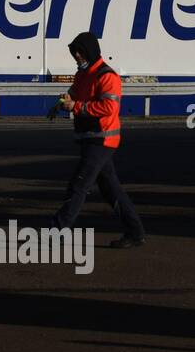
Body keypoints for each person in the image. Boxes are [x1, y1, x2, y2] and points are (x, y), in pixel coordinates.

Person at [51, 31, 146, 248]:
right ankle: (135, 232)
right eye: (74, 53)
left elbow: (109, 108)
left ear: (89, 52)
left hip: (102, 140)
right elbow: (73, 94)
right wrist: (63, 101)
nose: (76, 57)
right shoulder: (82, 74)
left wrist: (76, 106)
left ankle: (57, 230)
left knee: (79, 185)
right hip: (90, 138)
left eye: (79, 53)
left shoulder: (106, 76)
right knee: (111, 189)